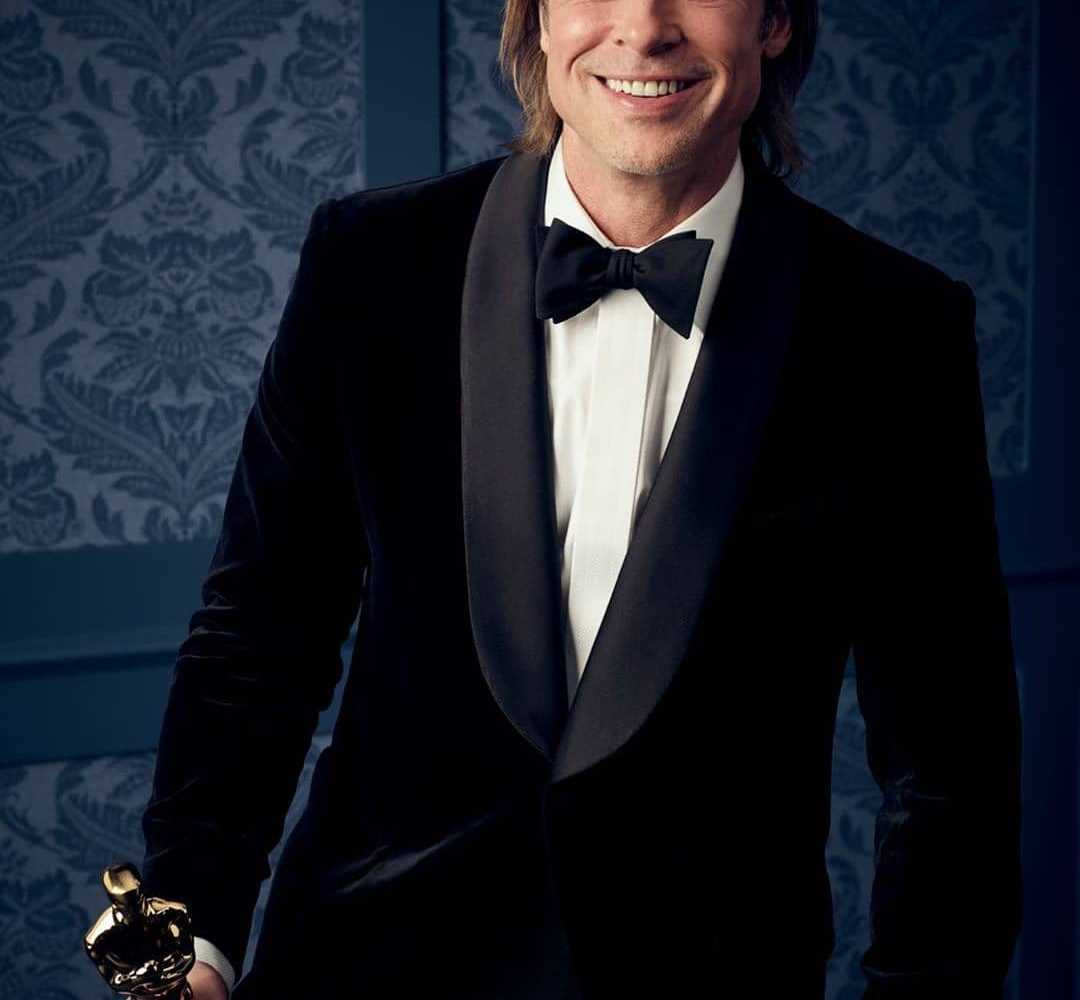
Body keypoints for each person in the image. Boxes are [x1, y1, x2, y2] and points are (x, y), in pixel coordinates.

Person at [140, 1, 1023, 997]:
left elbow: (952, 760)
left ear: (776, 19)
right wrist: (182, 946)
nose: (643, 29)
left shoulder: (895, 328)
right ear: (538, 17)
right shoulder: (369, 260)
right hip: (359, 968)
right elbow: (256, 637)